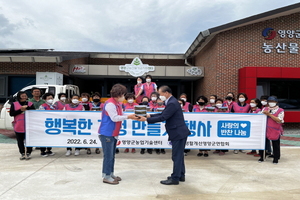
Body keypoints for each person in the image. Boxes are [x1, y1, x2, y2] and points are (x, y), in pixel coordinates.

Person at [137, 85, 191, 185]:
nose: (159, 96)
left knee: (176, 156)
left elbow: (163, 117)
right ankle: (181, 175)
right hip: (178, 132)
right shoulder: (172, 101)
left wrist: (147, 119)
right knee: (179, 156)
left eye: (160, 94)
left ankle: (175, 178)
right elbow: (164, 114)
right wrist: (149, 115)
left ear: (166, 93)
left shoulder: (172, 103)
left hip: (178, 133)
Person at [98, 84, 137, 184]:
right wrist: (128, 117)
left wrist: (130, 116)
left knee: (112, 155)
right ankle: (106, 176)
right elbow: (114, 118)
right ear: (119, 94)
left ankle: (110, 173)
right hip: (107, 133)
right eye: (123, 94)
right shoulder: (110, 104)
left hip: (113, 132)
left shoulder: (117, 103)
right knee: (108, 156)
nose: (124, 97)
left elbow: (121, 114)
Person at [10, 91, 35, 160]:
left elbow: (34, 112)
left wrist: (27, 108)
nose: (24, 97)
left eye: (25, 96)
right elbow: (12, 114)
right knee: (20, 140)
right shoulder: (14, 104)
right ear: (19, 97)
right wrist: (21, 110)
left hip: (29, 125)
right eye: (22, 96)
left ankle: (28, 153)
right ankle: (22, 153)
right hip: (19, 125)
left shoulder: (30, 104)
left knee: (29, 140)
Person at [259, 96, 284, 164]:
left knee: (275, 144)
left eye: (273, 101)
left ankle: (276, 158)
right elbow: (259, 117)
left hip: (274, 129)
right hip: (265, 129)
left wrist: (269, 114)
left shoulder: (280, 110)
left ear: (276, 102)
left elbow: (279, 120)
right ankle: (262, 156)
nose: (271, 103)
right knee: (263, 143)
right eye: (270, 101)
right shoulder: (265, 108)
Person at [38, 93, 57, 157]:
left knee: (50, 137)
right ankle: (42, 151)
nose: (50, 99)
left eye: (51, 98)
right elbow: (40, 114)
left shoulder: (54, 106)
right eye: (49, 98)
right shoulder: (42, 106)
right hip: (44, 124)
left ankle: (49, 150)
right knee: (43, 138)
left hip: (52, 124)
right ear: (45, 99)